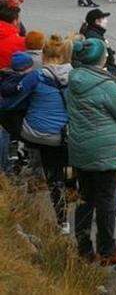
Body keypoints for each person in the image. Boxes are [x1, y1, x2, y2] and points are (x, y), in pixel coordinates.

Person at [66, 38, 116, 264]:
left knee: (85, 197)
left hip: (79, 146)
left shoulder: (73, 80)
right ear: (101, 58)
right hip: (104, 149)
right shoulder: (106, 85)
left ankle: (84, 248)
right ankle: (106, 249)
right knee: (105, 201)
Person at [17, 35, 72, 233]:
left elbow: (17, 98)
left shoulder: (36, 76)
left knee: (52, 175)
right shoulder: (75, 76)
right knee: (66, 172)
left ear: (44, 55)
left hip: (40, 133)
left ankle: (62, 220)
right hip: (66, 134)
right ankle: (72, 194)